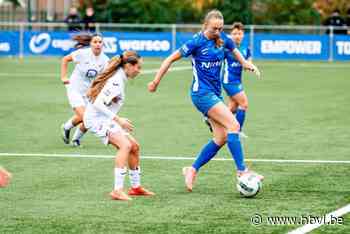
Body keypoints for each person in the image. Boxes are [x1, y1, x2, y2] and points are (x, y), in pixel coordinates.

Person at [148, 9, 263, 192]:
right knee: (233, 126)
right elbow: (170, 59)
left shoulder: (223, 38)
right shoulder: (196, 42)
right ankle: (242, 171)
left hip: (215, 94)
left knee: (221, 137)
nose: (217, 32)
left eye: (219, 28)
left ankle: (192, 169)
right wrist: (155, 81)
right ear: (205, 26)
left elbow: (233, 49)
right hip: (201, 94)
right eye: (213, 29)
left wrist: (246, 64)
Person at [84, 51, 155, 201]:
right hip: (96, 119)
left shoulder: (120, 78)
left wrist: (115, 119)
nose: (139, 71)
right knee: (125, 146)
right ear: (128, 65)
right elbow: (97, 104)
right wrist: (118, 119)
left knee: (134, 146)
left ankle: (135, 188)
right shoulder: (116, 81)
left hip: (105, 118)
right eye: (138, 67)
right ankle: (117, 190)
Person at [60, 33, 109, 147]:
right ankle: (66, 127)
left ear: (103, 44)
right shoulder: (82, 53)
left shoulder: (105, 60)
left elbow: (103, 79)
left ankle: (75, 139)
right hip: (74, 88)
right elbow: (65, 59)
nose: (97, 44)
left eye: (100, 42)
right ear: (90, 44)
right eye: (95, 42)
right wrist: (63, 77)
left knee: (90, 118)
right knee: (85, 117)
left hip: (89, 92)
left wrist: (97, 92)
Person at [221, 22, 258, 138]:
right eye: (234, 33)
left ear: (243, 35)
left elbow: (248, 63)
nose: (237, 36)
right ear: (231, 35)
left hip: (237, 81)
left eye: (239, 33)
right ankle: (237, 131)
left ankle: (212, 119)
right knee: (244, 104)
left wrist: (252, 67)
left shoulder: (246, 49)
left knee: (232, 107)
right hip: (229, 81)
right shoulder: (226, 48)